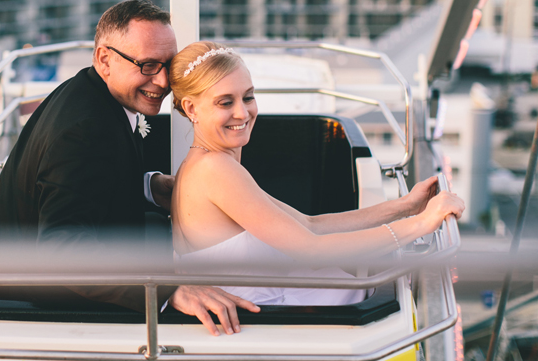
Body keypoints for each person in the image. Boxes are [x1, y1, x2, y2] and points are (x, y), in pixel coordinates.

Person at [0, 1, 259, 335]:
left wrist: (152, 187)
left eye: (168, 64)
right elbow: (61, 248)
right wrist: (168, 292)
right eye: (149, 65)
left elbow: (89, 179)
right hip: (34, 296)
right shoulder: (83, 130)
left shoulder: (94, 92)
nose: (164, 81)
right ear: (105, 60)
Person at [169, 42, 465, 307]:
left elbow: (311, 226)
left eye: (248, 97)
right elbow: (312, 249)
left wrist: (405, 207)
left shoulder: (207, 164)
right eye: (225, 102)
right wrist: (421, 224)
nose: (243, 113)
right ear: (191, 108)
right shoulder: (215, 170)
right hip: (263, 325)